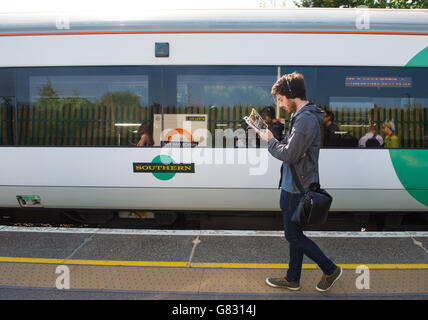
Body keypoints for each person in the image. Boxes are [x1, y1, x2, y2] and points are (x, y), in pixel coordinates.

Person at [257, 72, 342, 292]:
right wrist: (282, 141)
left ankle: (330, 268)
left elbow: (290, 154)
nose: (281, 104)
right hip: (293, 184)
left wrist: (270, 142)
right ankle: (293, 278)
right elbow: (292, 150)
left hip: (297, 187)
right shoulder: (302, 116)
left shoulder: (304, 119)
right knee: (295, 234)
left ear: (292, 95)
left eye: (281, 100)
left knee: (292, 235)